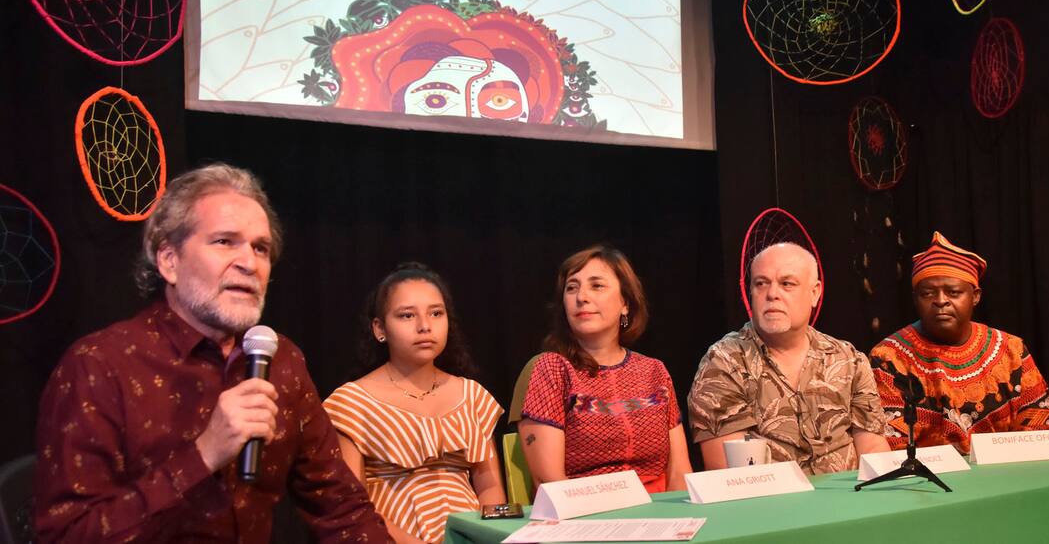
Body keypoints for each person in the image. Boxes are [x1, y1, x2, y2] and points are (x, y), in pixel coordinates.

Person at [33, 163, 391, 542]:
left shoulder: (281, 360)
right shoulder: (99, 365)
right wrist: (203, 455)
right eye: (224, 242)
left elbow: (341, 507)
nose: (249, 263)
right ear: (169, 261)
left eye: (260, 248)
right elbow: (67, 535)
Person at [324, 264, 505, 544]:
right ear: (379, 329)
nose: (425, 326)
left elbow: (490, 492)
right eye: (407, 315)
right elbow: (353, 506)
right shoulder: (351, 403)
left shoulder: (472, 395)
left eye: (436, 313)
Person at [689, 242, 889, 474]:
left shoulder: (849, 359)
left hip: (850, 493)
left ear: (814, 293)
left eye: (787, 284)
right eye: (761, 283)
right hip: (768, 494)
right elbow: (729, 469)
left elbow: (873, 447)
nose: (772, 294)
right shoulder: (724, 361)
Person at [869, 232, 1049, 453]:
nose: (941, 301)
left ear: (976, 296)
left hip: (1007, 469)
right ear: (915, 298)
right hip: (928, 474)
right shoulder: (888, 357)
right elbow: (891, 448)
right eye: (928, 293)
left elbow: (1044, 435)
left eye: (953, 292)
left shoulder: (1010, 349)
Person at [519, 245, 691, 492]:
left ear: (625, 303)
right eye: (571, 288)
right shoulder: (552, 369)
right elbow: (550, 483)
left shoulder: (654, 371)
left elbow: (679, 473)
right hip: (586, 508)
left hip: (659, 508)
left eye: (597, 286)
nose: (581, 297)